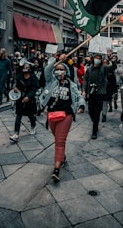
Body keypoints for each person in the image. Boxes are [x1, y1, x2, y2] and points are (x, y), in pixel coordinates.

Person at [39, 53, 86, 182]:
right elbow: (47, 70)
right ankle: (62, 157)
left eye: (62, 69)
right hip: (52, 114)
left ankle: (56, 169)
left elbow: (78, 96)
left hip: (66, 115)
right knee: (57, 138)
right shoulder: (51, 81)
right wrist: (56, 60)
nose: (59, 71)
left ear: (66, 71)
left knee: (60, 142)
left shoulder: (71, 84)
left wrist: (81, 105)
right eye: (57, 69)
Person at [82, 53, 117, 139]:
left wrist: (112, 60)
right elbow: (85, 80)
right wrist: (84, 90)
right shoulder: (89, 69)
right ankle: (95, 123)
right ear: (93, 59)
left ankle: (94, 130)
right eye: (96, 58)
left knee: (97, 112)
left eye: (99, 58)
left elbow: (113, 67)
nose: (97, 60)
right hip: (91, 93)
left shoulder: (103, 69)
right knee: (90, 111)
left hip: (100, 93)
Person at [10, 61, 39, 142]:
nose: (25, 69)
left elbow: (34, 89)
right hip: (20, 99)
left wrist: (28, 97)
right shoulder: (19, 77)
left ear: (30, 69)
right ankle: (16, 134)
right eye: (24, 67)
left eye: (27, 68)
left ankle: (33, 125)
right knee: (18, 115)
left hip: (29, 100)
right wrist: (15, 89)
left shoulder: (33, 78)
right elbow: (15, 85)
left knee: (30, 115)